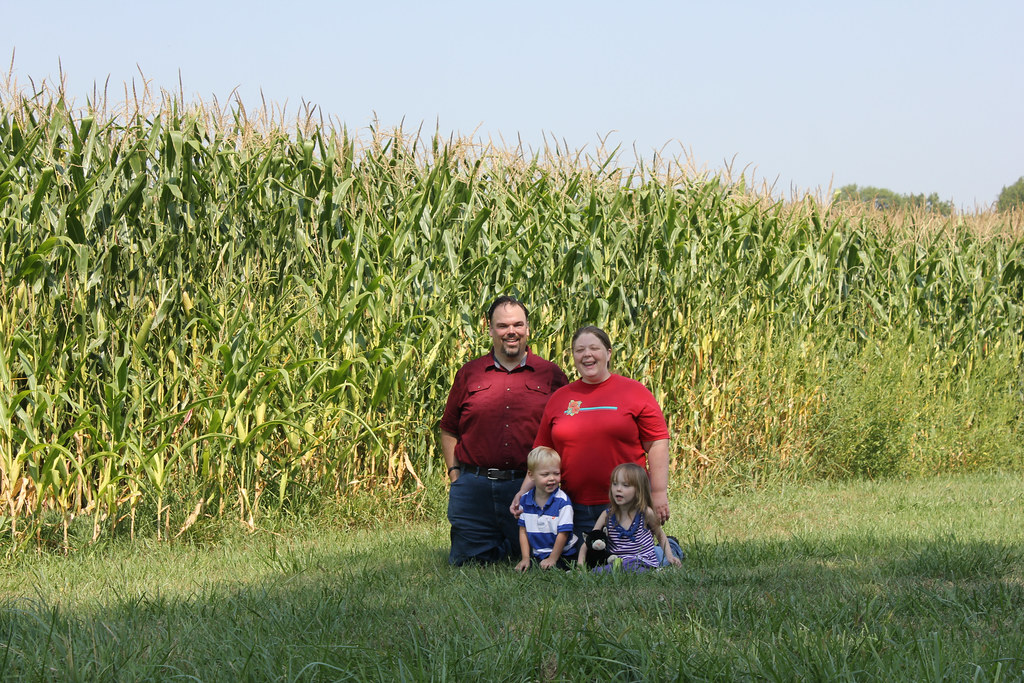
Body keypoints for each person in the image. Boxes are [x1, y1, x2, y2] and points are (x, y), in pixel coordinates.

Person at [514, 325, 675, 555]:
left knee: (632, 559)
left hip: (626, 504)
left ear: (608, 353)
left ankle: (670, 548)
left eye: (594, 348)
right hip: (575, 505)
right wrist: (522, 493)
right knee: (588, 559)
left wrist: (659, 493)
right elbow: (542, 453)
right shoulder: (560, 398)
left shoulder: (635, 392)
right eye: (579, 350)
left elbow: (657, 443)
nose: (586, 355)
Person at [440, 296, 569, 565]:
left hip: (531, 488)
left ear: (528, 329)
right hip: (474, 488)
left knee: (536, 559)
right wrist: (456, 475)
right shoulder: (469, 373)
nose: (511, 331)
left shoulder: (551, 374)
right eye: (502, 326)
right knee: (468, 563)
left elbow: (566, 431)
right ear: (490, 330)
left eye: (518, 324)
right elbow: (449, 429)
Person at [579, 463, 682, 571]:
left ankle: (673, 545)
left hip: (644, 561)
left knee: (663, 559)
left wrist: (670, 556)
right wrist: (580, 568)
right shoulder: (607, 515)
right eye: (615, 484)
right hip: (619, 563)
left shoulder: (646, 513)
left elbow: (660, 535)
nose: (618, 489)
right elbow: (590, 541)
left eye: (625, 485)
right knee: (598, 572)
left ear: (638, 490)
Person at [515, 447, 578, 571]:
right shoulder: (525, 500)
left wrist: (553, 558)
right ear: (531, 475)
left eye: (556, 473)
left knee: (557, 569)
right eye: (545, 474)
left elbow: (563, 533)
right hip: (538, 554)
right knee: (529, 570)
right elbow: (523, 530)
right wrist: (525, 558)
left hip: (563, 554)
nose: (552, 478)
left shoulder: (563, 502)